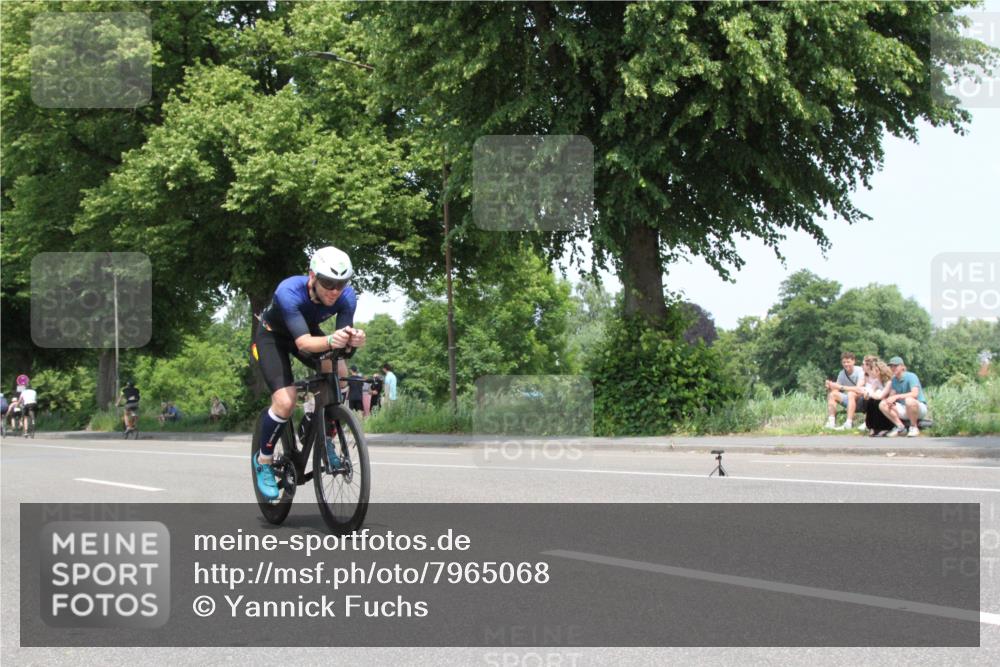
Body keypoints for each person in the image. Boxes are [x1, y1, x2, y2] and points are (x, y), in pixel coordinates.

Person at [251, 246, 366, 500]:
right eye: (328, 282)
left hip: (306, 333)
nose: (335, 291)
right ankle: (264, 460)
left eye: (341, 283)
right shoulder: (288, 291)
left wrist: (352, 342)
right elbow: (303, 343)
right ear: (312, 276)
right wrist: (333, 341)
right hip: (273, 337)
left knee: (341, 373)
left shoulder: (347, 297)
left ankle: (322, 431)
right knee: (285, 400)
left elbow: (341, 352)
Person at [878, 356, 928, 438]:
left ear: (902, 366)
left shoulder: (911, 376)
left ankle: (914, 427)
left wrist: (897, 397)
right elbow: (892, 395)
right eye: (891, 366)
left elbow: (914, 394)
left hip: (918, 408)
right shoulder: (894, 380)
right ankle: (900, 427)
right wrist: (889, 400)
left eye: (895, 366)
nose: (893, 368)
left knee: (909, 400)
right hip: (904, 408)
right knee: (883, 404)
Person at [824, 352, 865, 430]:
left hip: (862, 400)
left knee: (851, 393)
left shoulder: (860, 371)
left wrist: (840, 387)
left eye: (848, 362)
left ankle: (848, 423)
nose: (846, 364)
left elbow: (858, 389)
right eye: (844, 362)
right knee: (832, 394)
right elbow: (837, 389)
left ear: (853, 361)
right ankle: (831, 422)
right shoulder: (842, 373)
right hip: (850, 400)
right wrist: (830, 386)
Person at [861, 356, 896, 436]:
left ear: (879, 371)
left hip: (887, 402)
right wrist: (867, 394)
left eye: (874, 370)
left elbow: (881, 396)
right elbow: (870, 390)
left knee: (877, 402)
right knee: (870, 402)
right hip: (879, 399)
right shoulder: (876, 381)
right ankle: (872, 427)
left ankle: (885, 427)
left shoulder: (888, 382)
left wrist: (870, 394)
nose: (872, 372)